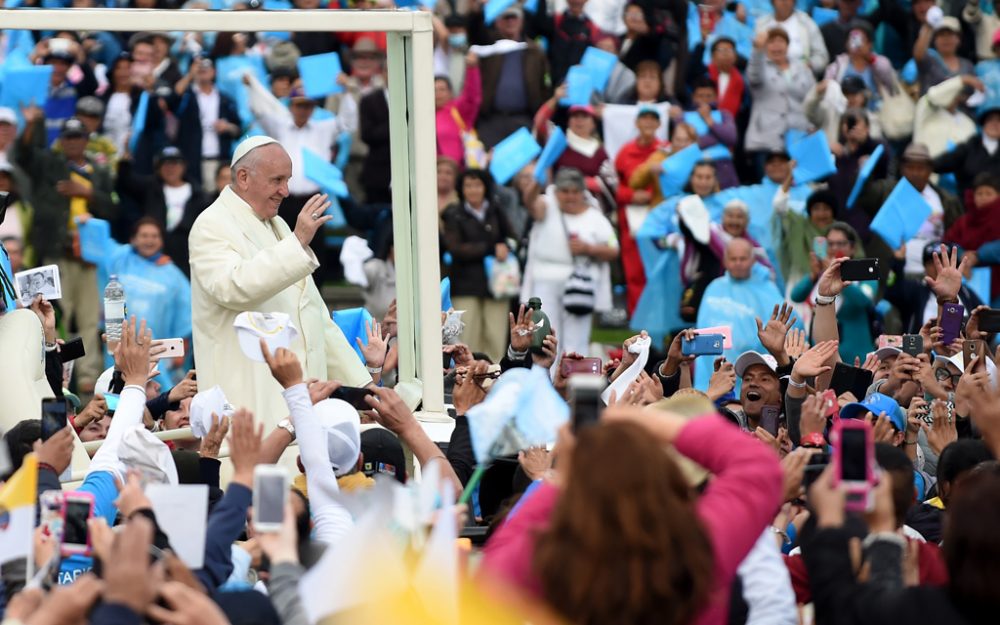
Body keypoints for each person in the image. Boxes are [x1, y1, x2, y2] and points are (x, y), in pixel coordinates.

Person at [480, 404, 784, 625]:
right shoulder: (701, 545)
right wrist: (644, 421)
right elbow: (757, 467)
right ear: (668, 481)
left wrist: (567, 476)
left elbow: (492, 574)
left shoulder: (554, 558)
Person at [188, 136, 371, 432]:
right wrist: (297, 242)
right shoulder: (211, 224)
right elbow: (233, 287)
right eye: (277, 180)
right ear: (244, 177)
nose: (285, 191)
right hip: (251, 396)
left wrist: (363, 388)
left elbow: (315, 316)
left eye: (287, 180)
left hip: (301, 396)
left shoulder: (278, 224)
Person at [16, 110, 118, 394]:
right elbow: (24, 156)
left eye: (78, 137)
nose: (74, 143)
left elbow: (113, 208)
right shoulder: (51, 165)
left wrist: (88, 194)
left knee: (87, 318)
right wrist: (33, 122)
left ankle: (86, 377)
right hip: (57, 254)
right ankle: (55, 373)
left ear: (86, 140)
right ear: (61, 141)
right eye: (68, 137)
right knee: (56, 316)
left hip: (88, 258)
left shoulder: (98, 172)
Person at [78, 215, 192, 384]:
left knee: (156, 397)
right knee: (116, 392)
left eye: (154, 236)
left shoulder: (173, 274)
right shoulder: (121, 258)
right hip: (118, 346)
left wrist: (181, 349)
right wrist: (87, 223)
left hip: (156, 351)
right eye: (144, 236)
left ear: (162, 240)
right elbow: (99, 244)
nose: (149, 241)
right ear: (133, 239)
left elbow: (186, 314)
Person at [522, 168, 618, 357]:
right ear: (557, 192)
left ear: (582, 193)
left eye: (575, 192)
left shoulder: (595, 217)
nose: (570, 197)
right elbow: (529, 201)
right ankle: (545, 379)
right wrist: (538, 175)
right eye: (565, 192)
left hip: (579, 284)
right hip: (546, 279)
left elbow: (613, 249)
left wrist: (588, 249)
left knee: (576, 339)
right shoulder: (547, 206)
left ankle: (571, 380)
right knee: (544, 334)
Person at [441, 169, 516, 362]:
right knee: (468, 336)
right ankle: (468, 378)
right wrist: (490, 248)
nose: (473, 190)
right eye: (468, 186)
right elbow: (455, 248)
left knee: (495, 336)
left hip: (497, 285)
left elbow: (512, 237)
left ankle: (494, 377)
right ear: (461, 189)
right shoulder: (453, 213)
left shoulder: (495, 210)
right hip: (465, 284)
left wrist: (505, 247)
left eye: (477, 185)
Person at [693, 238, 788, 390]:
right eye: (733, 259)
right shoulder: (714, 287)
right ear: (725, 261)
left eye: (742, 259)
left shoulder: (766, 289)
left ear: (752, 260)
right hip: (710, 373)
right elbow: (702, 327)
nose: (738, 263)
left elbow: (788, 324)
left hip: (750, 371)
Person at [116, 146, 210, 276]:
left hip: (186, 256)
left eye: (175, 163)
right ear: (158, 168)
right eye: (165, 164)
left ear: (184, 166)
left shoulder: (199, 194)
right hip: (153, 253)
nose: (170, 168)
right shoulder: (150, 187)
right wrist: (125, 160)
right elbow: (125, 182)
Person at [745, 28, 816, 168]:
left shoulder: (802, 69)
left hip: (799, 137)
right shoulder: (759, 65)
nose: (776, 45)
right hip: (766, 140)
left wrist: (811, 126)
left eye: (780, 41)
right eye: (771, 41)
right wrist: (757, 51)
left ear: (788, 45)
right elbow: (753, 76)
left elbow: (812, 100)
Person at [753, 0, 829, 75]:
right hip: (767, 79)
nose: (784, 1)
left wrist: (808, 67)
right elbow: (754, 58)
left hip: (801, 79)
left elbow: (822, 56)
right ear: (772, 2)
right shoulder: (761, 25)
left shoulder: (807, 23)